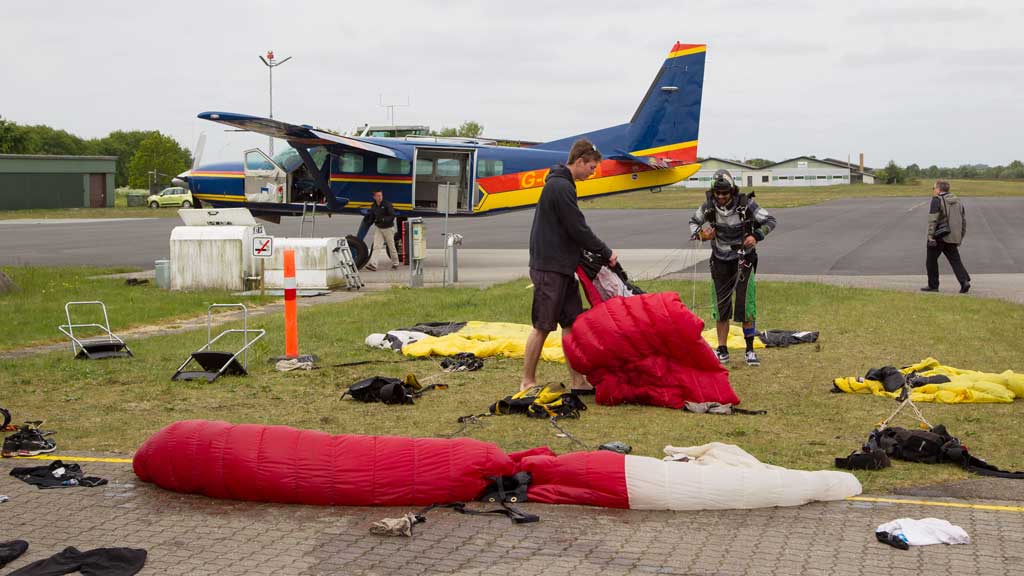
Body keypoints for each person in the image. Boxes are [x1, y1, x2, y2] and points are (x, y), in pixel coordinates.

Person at [521, 138, 616, 392]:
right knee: (542, 326)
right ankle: (527, 380)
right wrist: (605, 252)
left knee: (571, 324)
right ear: (580, 161)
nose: (592, 173)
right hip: (549, 267)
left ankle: (578, 380)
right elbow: (577, 227)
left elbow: (570, 229)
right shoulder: (561, 187)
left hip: (564, 266)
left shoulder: (563, 184)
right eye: (592, 168)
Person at [689, 169, 776, 366]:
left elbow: (770, 220)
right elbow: (693, 222)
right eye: (718, 193)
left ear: (732, 190)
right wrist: (702, 235)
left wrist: (757, 236)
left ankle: (750, 350)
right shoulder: (708, 206)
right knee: (721, 308)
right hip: (719, 262)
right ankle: (722, 349)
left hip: (743, 260)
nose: (721, 197)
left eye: (725, 193)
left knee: (746, 306)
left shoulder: (746, 204)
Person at [922, 180, 970, 293]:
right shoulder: (958, 201)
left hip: (939, 235)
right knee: (955, 260)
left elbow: (933, 220)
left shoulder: (936, 200)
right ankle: (964, 282)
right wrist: (960, 236)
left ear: (938, 189)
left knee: (931, 261)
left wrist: (930, 237)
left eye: (933, 188)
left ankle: (933, 286)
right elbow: (963, 220)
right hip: (953, 236)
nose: (933, 190)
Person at [365, 190, 399, 271]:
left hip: (388, 228)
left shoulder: (387, 204)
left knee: (391, 247)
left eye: (381, 195)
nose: (380, 197)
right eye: (378, 196)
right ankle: (373, 264)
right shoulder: (373, 206)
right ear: (374, 197)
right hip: (379, 228)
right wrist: (368, 222)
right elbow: (372, 217)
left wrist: (384, 219)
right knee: (376, 246)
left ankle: (395, 263)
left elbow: (392, 215)